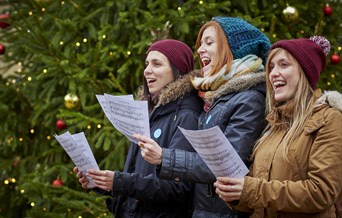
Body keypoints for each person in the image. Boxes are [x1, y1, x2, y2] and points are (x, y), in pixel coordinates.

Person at [134, 16, 271, 217]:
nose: (199, 50)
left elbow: (227, 164)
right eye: (200, 44)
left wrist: (165, 157)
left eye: (209, 42)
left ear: (233, 49)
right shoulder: (215, 96)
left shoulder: (248, 99)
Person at [214, 36, 342, 217]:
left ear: (305, 72)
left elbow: (321, 193)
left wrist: (250, 189)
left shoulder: (329, 119)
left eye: (284, 64)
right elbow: (256, 193)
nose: (273, 73)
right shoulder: (273, 125)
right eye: (271, 67)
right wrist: (236, 194)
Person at [74, 39, 203, 217]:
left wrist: (118, 181)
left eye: (157, 64)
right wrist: (102, 183)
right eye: (147, 64)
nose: (147, 70)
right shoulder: (151, 113)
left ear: (177, 71)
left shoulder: (187, 115)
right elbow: (137, 180)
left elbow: (178, 189)